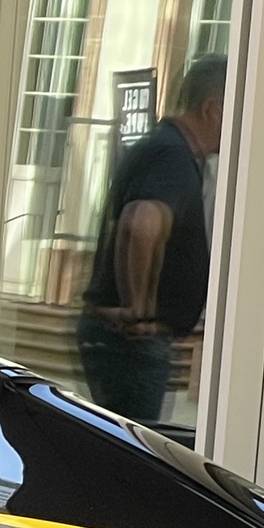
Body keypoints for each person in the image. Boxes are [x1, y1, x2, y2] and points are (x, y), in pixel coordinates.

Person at [78, 54, 227, 425]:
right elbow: (141, 223)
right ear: (212, 109)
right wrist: (138, 308)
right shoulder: (173, 156)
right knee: (133, 461)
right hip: (133, 345)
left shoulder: (166, 148)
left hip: (128, 342)